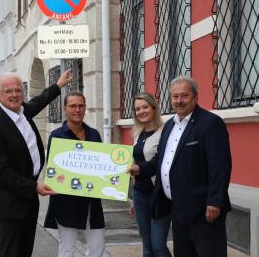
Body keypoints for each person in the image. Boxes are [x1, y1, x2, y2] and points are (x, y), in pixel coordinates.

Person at [129, 76, 232, 257]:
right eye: (175, 97)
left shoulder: (210, 123)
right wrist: (140, 170)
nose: (179, 101)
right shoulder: (169, 126)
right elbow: (161, 161)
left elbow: (220, 166)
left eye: (184, 96)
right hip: (178, 209)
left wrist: (215, 201)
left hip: (204, 210)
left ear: (195, 96)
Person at [0, 70, 73, 257]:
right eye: (8, 91)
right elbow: (0, 172)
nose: (14, 95)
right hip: (10, 202)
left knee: (25, 251)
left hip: (29, 200)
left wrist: (58, 85)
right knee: (10, 252)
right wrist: (34, 187)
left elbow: (39, 101)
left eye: (18, 90)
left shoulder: (23, 111)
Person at [44, 91, 105, 257]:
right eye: (73, 106)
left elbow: (102, 165)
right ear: (65, 109)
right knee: (67, 248)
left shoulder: (94, 134)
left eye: (81, 105)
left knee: (98, 246)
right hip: (66, 201)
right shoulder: (57, 135)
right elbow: (54, 170)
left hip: (92, 200)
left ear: (85, 108)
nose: (77, 109)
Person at [129, 92, 172, 257]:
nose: (141, 111)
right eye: (137, 109)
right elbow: (133, 163)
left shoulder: (165, 132)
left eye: (145, 107)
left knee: (159, 246)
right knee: (147, 246)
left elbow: (159, 162)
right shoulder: (137, 133)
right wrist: (133, 199)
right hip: (140, 194)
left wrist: (139, 169)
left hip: (158, 195)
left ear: (154, 109)